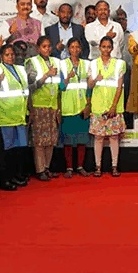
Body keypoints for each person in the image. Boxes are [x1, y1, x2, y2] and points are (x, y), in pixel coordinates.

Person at [0, 41, 31, 188]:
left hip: (18, 115)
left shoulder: (20, 69)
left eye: (12, 54)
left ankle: (15, 175)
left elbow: (25, 91)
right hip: (3, 116)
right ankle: (4, 179)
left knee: (17, 149)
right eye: (7, 55)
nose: (10, 57)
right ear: (1, 56)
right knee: (4, 150)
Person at [26, 34, 63, 180]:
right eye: (44, 46)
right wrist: (46, 75)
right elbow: (31, 87)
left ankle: (47, 168)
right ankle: (40, 169)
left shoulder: (56, 61)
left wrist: (59, 107)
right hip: (39, 105)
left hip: (52, 105)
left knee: (51, 140)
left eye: (49, 46)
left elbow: (59, 87)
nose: (47, 49)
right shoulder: (32, 62)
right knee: (39, 141)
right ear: (38, 48)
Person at [88, 35, 126, 177]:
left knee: (113, 137)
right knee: (98, 138)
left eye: (108, 47)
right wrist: (95, 79)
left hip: (113, 106)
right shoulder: (92, 64)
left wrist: (113, 106)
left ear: (112, 48)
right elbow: (90, 85)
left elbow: (119, 87)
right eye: (103, 47)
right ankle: (98, 167)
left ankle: (114, 166)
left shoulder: (119, 64)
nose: (106, 49)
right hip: (98, 106)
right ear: (99, 48)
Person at [59, 38, 91, 176]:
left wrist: (88, 105)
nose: (75, 49)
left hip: (82, 107)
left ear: (81, 49)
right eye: (72, 47)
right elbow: (60, 87)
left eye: (77, 47)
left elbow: (89, 87)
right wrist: (67, 77)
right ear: (68, 48)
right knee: (68, 141)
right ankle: (69, 168)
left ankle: (80, 166)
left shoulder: (87, 64)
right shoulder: (62, 64)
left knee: (82, 140)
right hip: (68, 108)